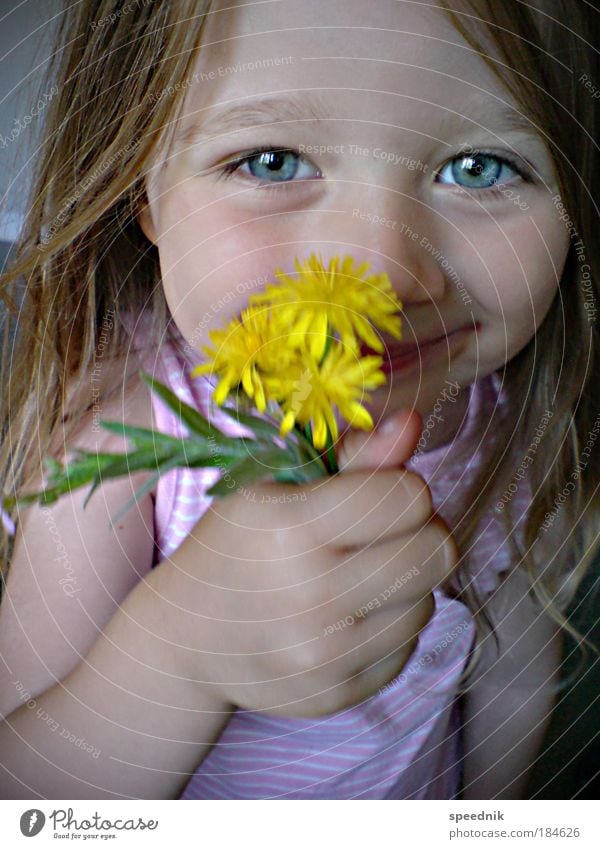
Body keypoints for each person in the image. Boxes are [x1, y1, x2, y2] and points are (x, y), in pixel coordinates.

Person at [0, 0, 597, 800]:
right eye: (272, 161)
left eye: (479, 167)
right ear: (138, 187)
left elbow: (514, 678)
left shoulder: (522, 434)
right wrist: (181, 653)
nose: (380, 271)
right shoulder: (116, 444)